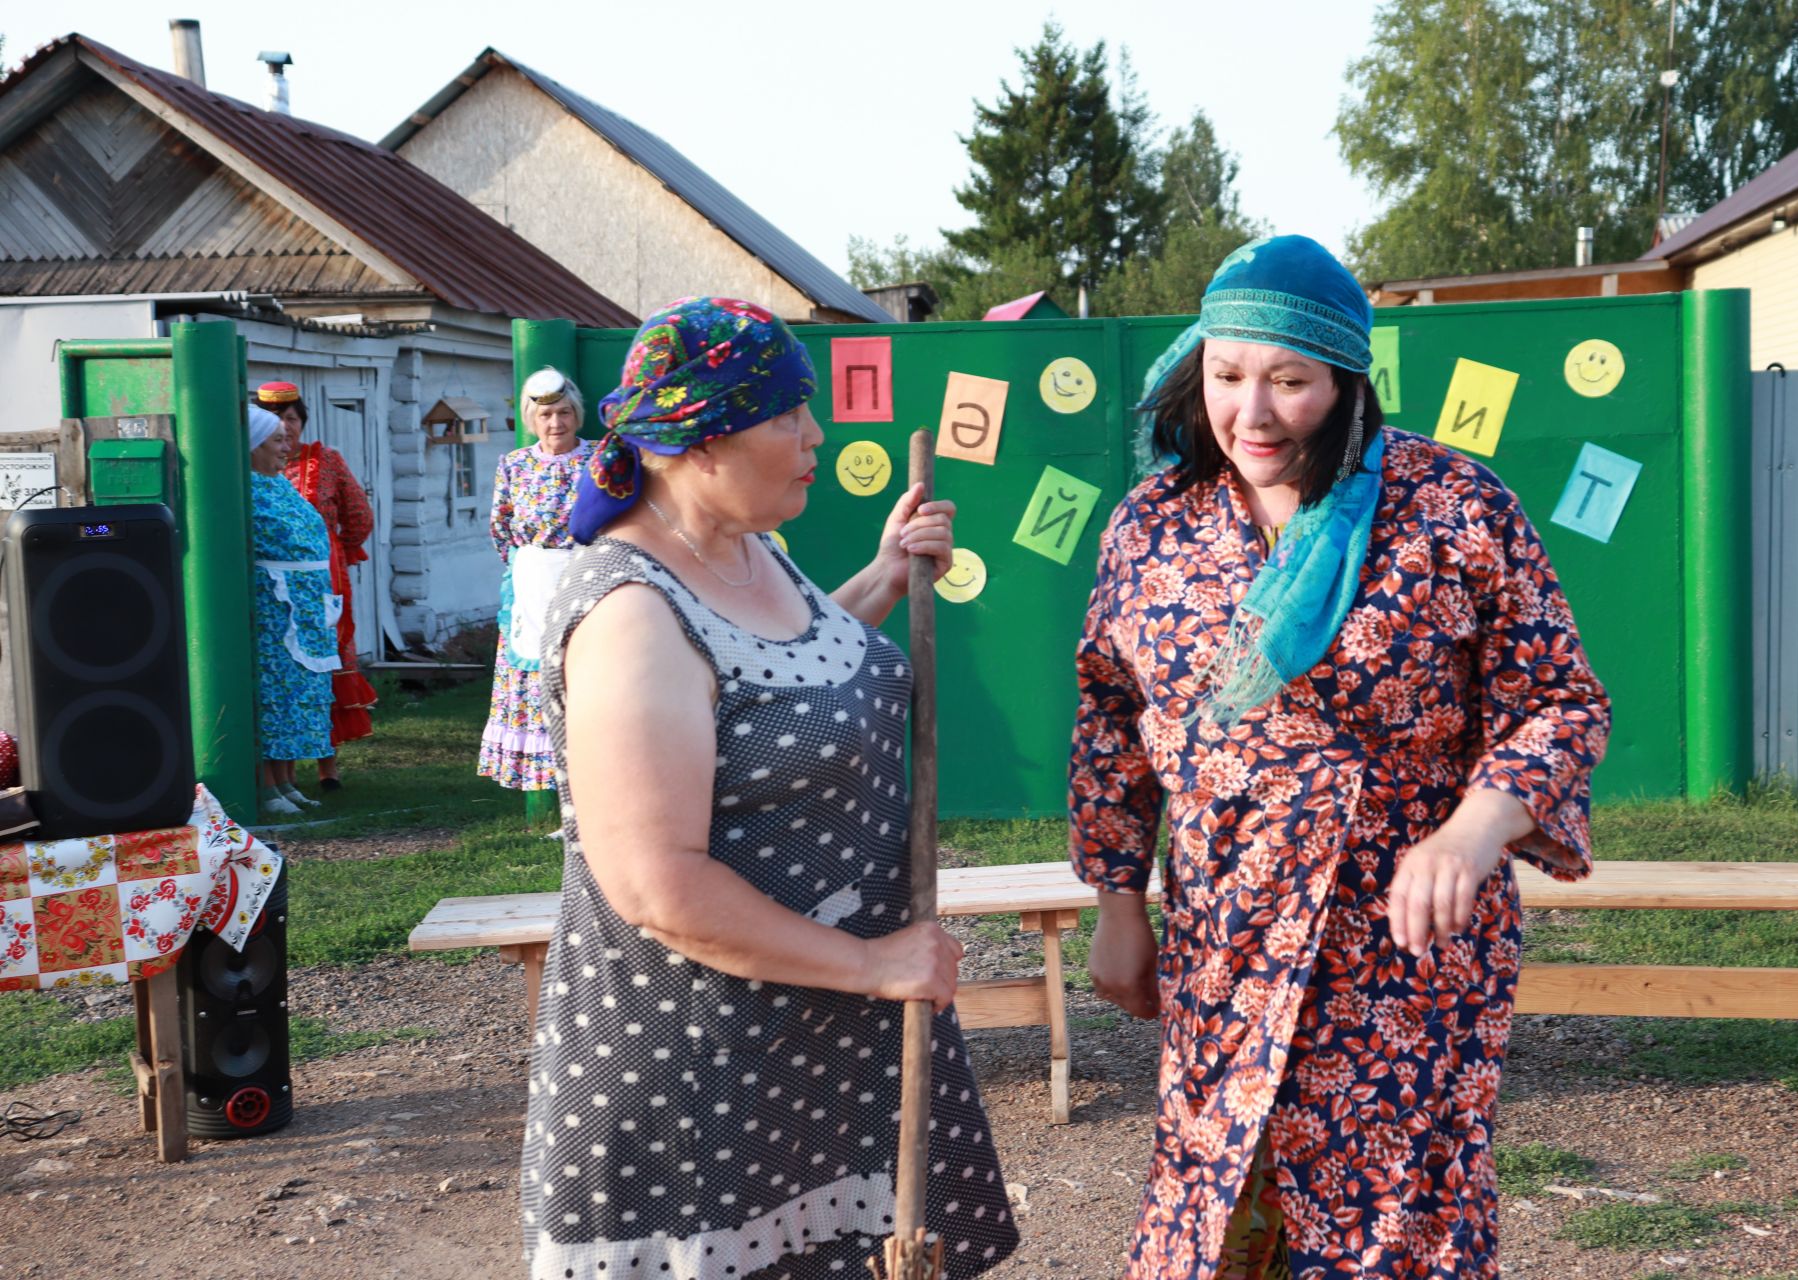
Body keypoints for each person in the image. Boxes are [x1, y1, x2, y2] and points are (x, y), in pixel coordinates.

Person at [1069, 237, 1611, 1279]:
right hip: (1228, 930)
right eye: (1228, 377)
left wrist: (1475, 826)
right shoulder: (1153, 523)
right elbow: (1111, 713)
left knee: (1395, 1216)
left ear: (1345, 381)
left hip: (1403, 945)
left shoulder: (1452, 506)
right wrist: (1119, 898)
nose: (1253, 415)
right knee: (1219, 1198)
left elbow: (1559, 700)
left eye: (1290, 382)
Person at [519, 297, 1018, 1280]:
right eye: (787, 414)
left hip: (812, 1048)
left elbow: (771, 686)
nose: (815, 435)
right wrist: (873, 962)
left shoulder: (748, 550)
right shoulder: (629, 614)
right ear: (701, 440)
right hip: (708, 1084)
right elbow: (659, 886)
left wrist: (879, 576)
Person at [254, 381, 378, 789]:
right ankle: (280, 775)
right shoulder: (259, 473)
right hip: (276, 583)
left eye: (290, 419)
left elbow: (358, 513)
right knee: (287, 668)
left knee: (328, 659)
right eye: (275, 423)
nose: (284, 430)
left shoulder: (325, 460)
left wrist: (339, 550)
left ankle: (328, 765)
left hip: (326, 573)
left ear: (302, 422)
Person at [478, 368, 588, 800]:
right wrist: (531, 571)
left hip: (584, 584)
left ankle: (587, 797)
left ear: (576, 414)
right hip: (531, 591)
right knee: (539, 688)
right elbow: (500, 528)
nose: (555, 423)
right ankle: (556, 799)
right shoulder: (514, 465)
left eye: (563, 413)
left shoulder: (598, 460)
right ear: (531, 419)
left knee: (582, 686)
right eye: (546, 415)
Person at [247, 405, 340, 818]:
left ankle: (286, 781)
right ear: (252, 446)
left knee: (297, 697)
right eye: (277, 441)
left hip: (306, 606)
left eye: (288, 439)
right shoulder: (245, 489)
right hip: (275, 609)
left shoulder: (279, 484)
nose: (287, 447)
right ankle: (266, 786)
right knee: (273, 697)